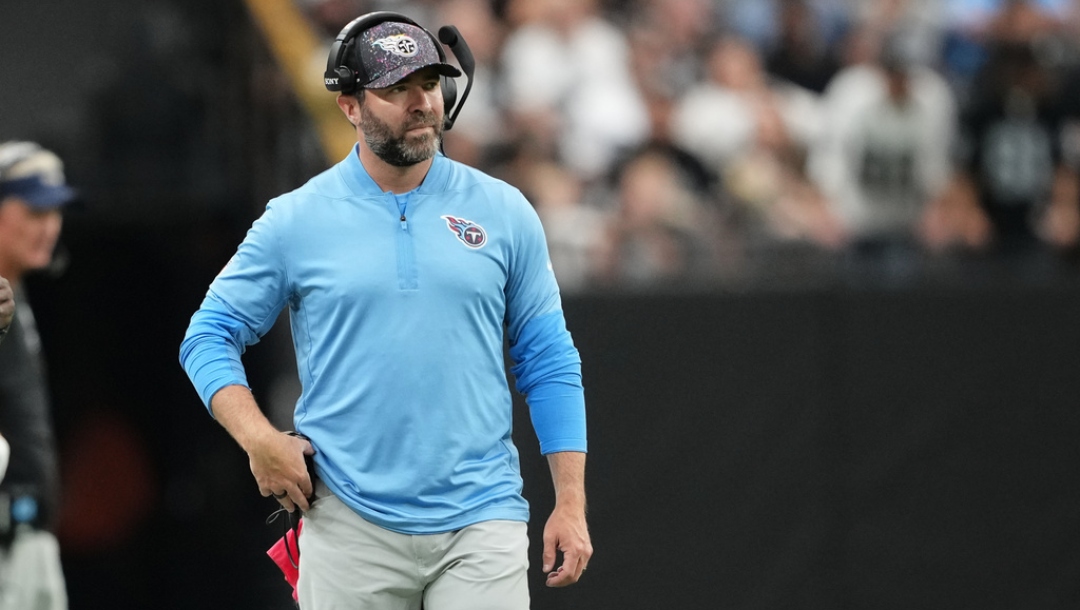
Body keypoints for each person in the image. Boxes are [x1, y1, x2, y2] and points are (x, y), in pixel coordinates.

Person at [179, 12, 591, 609]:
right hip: (350, 520)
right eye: (397, 88)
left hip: (482, 517)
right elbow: (207, 336)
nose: (421, 102)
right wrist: (259, 440)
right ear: (349, 106)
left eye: (428, 84)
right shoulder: (295, 219)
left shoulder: (505, 212)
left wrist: (571, 504)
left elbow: (549, 359)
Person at [0, 140, 77, 610]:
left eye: (55, 213)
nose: (48, 227)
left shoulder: (17, 293)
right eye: (33, 211)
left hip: (29, 535)